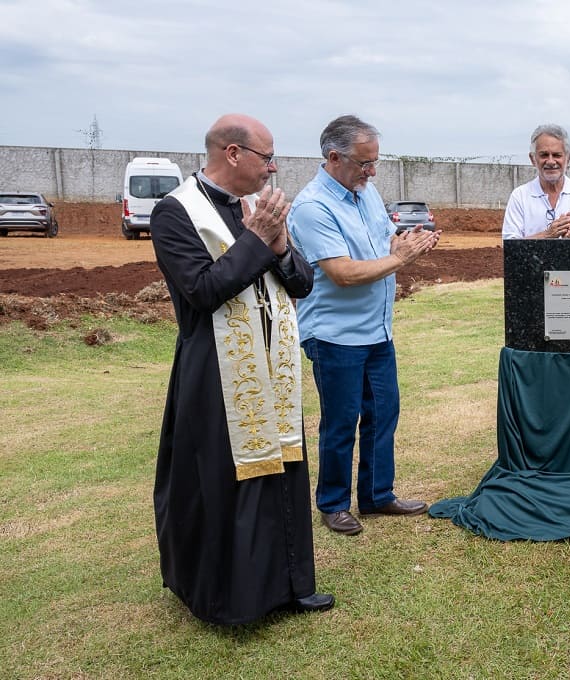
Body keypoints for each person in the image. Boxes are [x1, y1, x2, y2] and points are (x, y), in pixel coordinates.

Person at [150, 113, 333, 625]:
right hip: (214, 372)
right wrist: (256, 239)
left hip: (270, 367)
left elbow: (300, 285)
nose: (272, 169)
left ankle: (291, 586)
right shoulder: (174, 213)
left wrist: (276, 245)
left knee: (284, 471)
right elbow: (204, 291)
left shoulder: (258, 209)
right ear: (232, 153)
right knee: (224, 480)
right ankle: (233, 599)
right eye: (266, 158)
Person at [288, 115, 441, 536]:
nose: (372, 171)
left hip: (377, 331)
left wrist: (407, 243)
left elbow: (383, 240)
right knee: (341, 421)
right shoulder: (312, 208)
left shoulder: (365, 193)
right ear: (334, 157)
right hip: (335, 335)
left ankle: (377, 494)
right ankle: (334, 503)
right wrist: (401, 259)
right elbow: (342, 272)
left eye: (375, 162)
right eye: (364, 163)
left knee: (383, 413)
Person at [502, 124, 570, 239]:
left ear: (568, 158)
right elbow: (510, 246)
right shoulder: (520, 196)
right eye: (544, 155)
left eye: (557, 155)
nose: (551, 161)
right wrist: (547, 235)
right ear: (533, 159)